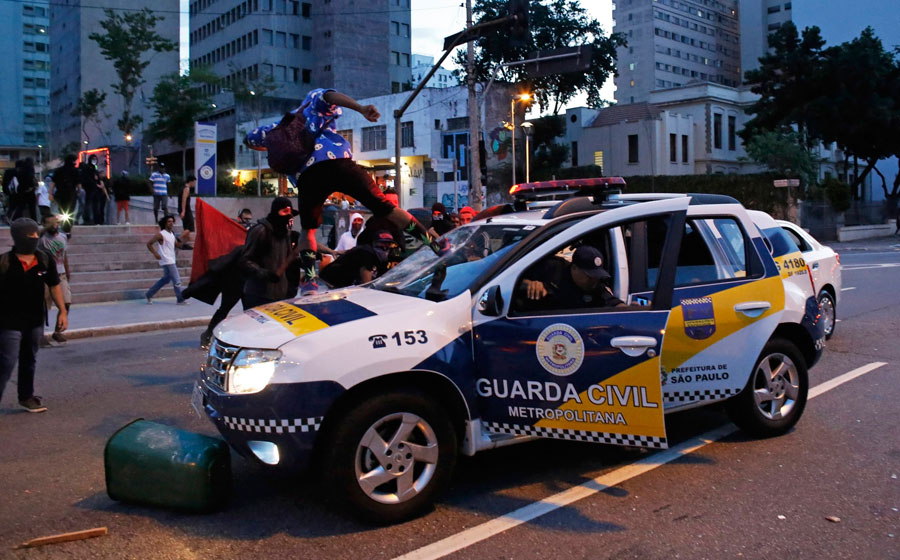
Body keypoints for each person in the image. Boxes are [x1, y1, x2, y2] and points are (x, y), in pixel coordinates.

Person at [245, 88, 435, 294]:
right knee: (385, 207)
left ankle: (309, 282)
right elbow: (330, 96)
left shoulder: (275, 129)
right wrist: (361, 108)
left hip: (308, 176)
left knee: (308, 230)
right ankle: (433, 244)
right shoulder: (311, 102)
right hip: (337, 162)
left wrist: (275, 146)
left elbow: (249, 139)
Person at [0, 218, 67, 412]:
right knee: (6, 362)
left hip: (35, 320)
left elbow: (55, 286)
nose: (35, 238)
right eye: (30, 235)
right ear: (18, 237)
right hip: (8, 321)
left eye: (36, 234)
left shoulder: (44, 259)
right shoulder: (4, 262)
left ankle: (26, 397)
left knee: (29, 359)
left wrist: (62, 312)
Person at [519, 245, 624, 311]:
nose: (593, 280)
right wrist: (530, 284)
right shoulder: (551, 268)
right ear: (574, 268)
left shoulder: (596, 286)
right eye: (589, 275)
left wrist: (630, 309)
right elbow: (510, 279)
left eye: (597, 275)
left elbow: (613, 303)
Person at [239, 197, 298, 308]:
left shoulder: (286, 234)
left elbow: (288, 259)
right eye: (284, 212)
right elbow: (245, 260)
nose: (287, 217)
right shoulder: (260, 231)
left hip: (280, 296)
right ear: (276, 211)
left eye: (289, 214)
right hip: (258, 295)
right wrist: (265, 274)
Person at [38, 215, 71, 344]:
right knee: (43, 306)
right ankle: (39, 335)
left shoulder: (62, 237)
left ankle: (57, 331)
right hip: (46, 275)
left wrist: (67, 271)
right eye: (50, 223)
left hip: (60, 274)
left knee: (66, 303)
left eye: (55, 223)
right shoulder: (41, 238)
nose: (54, 225)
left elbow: (64, 255)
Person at [320, 231, 393, 288]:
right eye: (383, 243)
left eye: (388, 243)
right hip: (329, 284)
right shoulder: (367, 254)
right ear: (374, 243)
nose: (385, 246)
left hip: (341, 285)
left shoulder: (379, 256)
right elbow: (366, 284)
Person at [145, 215, 187, 304]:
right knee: (177, 280)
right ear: (165, 223)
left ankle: (149, 294)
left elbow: (177, 245)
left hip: (171, 259)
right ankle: (180, 299)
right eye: (169, 221)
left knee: (165, 279)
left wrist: (187, 245)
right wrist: (155, 253)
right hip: (167, 260)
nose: (171, 223)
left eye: (172, 221)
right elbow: (149, 244)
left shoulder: (172, 234)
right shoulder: (161, 234)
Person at [50, 155, 80, 235]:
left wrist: (50, 193)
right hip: (71, 194)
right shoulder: (75, 171)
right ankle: (67, 229)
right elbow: (78, 184)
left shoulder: (58, 171)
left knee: (62, 211)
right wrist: (79, 192)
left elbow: (53, 183)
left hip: (60, 194)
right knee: (70, 211)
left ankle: (63, 226)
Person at [79, 155, 104, 225]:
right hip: (89, 190)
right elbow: (86, 178)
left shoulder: (94, 168)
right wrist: (95, 183)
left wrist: (99, 183)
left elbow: (98, 178)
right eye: (93, 159)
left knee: (96, 206)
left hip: (96, 190)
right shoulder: (87, 168)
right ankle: (87, 220)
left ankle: (96, 221)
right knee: (88, 205)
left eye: (95, 159)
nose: (94, 160)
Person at [179, 175, 196, 247]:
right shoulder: (186, 189)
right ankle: (177, 239)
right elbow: (184, 200)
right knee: (190, 228)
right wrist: (183, 211)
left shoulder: (183, 188)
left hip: (184, 209)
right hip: (186, 210)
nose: (194, 184)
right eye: (194, 182)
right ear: (191, 181)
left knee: (186, 228)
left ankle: (182, 244)